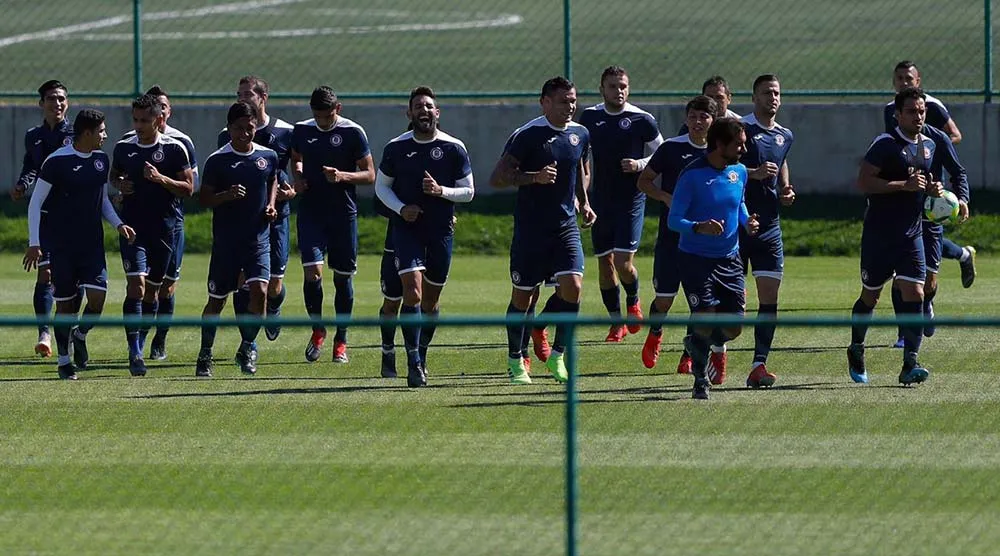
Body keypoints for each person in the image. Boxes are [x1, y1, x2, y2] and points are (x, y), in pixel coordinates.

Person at [490, 76, 596, 385]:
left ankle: (558, 355)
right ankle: (514, 360)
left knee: (574, 287)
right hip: (531, 229)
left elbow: (579, 168)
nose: (571, 106)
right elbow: (497, 178)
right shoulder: (527, 135)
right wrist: (532, 177)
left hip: (565, 226)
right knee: (524, 298)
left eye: (573, 100)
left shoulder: (580, 134)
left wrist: (584, 201)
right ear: (545, 102)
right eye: (563, 101)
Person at [22, 109, 136, 379]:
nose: (105, 135)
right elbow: (36, 202)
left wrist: (118, 223)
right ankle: (64, 361)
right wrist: (35, 242)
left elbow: (102, 200)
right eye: (102, 131)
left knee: (97, 300)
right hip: (62, 246)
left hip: (92, 245)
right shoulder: (56, 162)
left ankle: (80, 335)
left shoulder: (100, 159)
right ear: (87, 133)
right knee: (66, 306)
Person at [375, 86, 475, 387]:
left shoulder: (454, 147)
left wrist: (441, 192)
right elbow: (381, 187)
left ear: (437, 112)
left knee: (430, 304)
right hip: (407, 232)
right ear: (409, 113)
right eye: (418, 106)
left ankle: (421, 351)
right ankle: (413, 362)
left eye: (429, 106)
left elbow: (469, 191)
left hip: (441, 232)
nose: (424, 110)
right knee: (413, 293)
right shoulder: (396, 147)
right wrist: (401, 208)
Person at [848, 86, 943, 386]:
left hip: (912, 234)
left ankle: (909, 363)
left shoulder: (929, 145)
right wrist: (903, 184)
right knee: (870, 297)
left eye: (922, 111)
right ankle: (857, 347)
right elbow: (864, 182)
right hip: (879, 234)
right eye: (912, 111)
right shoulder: (885, 144)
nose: (918, 116)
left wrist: (933, 190)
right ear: (898, 114)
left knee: (915, 293)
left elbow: (923, 182)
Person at [667, 117, 760, 400]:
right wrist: (698, 226)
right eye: (739, 145)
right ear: (720, 144)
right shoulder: (692, 175)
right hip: (696, 259)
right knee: (705, 316)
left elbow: (739, 203)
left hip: (730, 259)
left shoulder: (739, 172)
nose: (743, 150)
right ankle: (700, 380)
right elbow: (674, 220)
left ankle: (696, 342)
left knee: (734, 328)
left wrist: (747, 222)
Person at [110, 94, 195, 377]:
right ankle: (134, 351)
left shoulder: (175, 149)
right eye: (135, 119)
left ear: (159, 119)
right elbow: (114, 177)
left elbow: (188, 188)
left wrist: (161, 179)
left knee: (153, 292)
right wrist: (120, 185)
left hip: (164, 229)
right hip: (133, 228)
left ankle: (147, 339)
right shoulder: (124, 148)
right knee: (135, 286)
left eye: (145, 120)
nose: (139, 125)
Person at [290, 86, 375, 364]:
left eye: (326, 117)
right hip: (311, 213)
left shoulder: (353, 132)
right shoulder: (302, 130)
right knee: (313, 274)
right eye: (317, 116)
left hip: (343, 214)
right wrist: (299, 177)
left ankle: (341, 339)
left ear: (337, 109)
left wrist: (343, 176)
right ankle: (317, 330)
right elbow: (296, 156)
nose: (322, 122)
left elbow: (370, 174)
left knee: (342, 278)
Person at [579, 66, 663, 342]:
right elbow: (580, 156)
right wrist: (582, 195)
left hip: (631, 200)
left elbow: (662, 154)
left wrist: (639, 164)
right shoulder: (590, 118)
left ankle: (633, 301)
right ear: (602, 89)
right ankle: (616, 323)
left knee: (624, 264)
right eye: (613, 86)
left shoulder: (642, 119)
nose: (619, 91)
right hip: (601, 200)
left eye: (623, 86)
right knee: (605, 264)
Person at [195, 102, 279, 377]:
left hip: (258, 241)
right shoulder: (218, 160)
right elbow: (204, 198)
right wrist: (226, 196)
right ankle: (205, 353)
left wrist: (271, 204)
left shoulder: (267, 156)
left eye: (250, 128)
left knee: (261, 292)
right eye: (239, 129)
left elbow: (273, 180)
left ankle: (248, 347)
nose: (245, 134)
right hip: (227, 244)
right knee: (217, 301)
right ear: (229, 128)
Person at [636, 95, 716, 372]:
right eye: (693, 116)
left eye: (703, 117)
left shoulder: (718, 154)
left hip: (704, 243)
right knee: (665, 299)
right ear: (686, 119)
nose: (697, 122)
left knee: (701, 304)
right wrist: (665, 197)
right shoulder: (671, 148)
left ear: (713, 120)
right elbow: (643, 180)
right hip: (672, 238)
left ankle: (689, 354)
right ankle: (655, 333)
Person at [884, 60, 975, 290]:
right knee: (910, 244)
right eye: (899, 78)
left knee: (929, 241)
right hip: (906, 189)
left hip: (933, 191)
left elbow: (955, 135)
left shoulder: (932, 107)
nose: (904, 82)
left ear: (918, 81)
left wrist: (929, 150)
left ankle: (959, 259)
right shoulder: (890, 110)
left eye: (908, 78)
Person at [220, 76, 297, 343]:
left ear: (263, 98)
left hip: (276, 217)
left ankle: (274, 306)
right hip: (245, 221)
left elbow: (297, 169)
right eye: (238, 94)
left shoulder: (286, 132)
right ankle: (247, 343)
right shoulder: (227, 134)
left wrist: (293, 190)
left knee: (274, 285)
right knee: (245, 281)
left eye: (247, 94)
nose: (241, 98)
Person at [10, 80, 75, 358]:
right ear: (41, 104)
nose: (57, 103)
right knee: (45, 273)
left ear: (67, 103)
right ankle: (45, 333)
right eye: (51, 99)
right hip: (45, 214)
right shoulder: (33, 136)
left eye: (61, 99)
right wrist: (23, 185)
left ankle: (70, 333)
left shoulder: (75, 133)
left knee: (72, 279)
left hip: (73, 214)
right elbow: (31, 166)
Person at [738, 74, 795, 388]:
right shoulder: (741, 130)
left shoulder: (785, 134)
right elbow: (724, 168)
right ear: (754, 97)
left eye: (776, 92)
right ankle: (712, 352)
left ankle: (759, 364)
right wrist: (753, 173)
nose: (772, 98)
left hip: (770, 227)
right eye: (766, 93)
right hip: (737, 226)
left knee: (769, 299)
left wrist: (785, 188)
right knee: (730, 309)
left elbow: (781, 162)